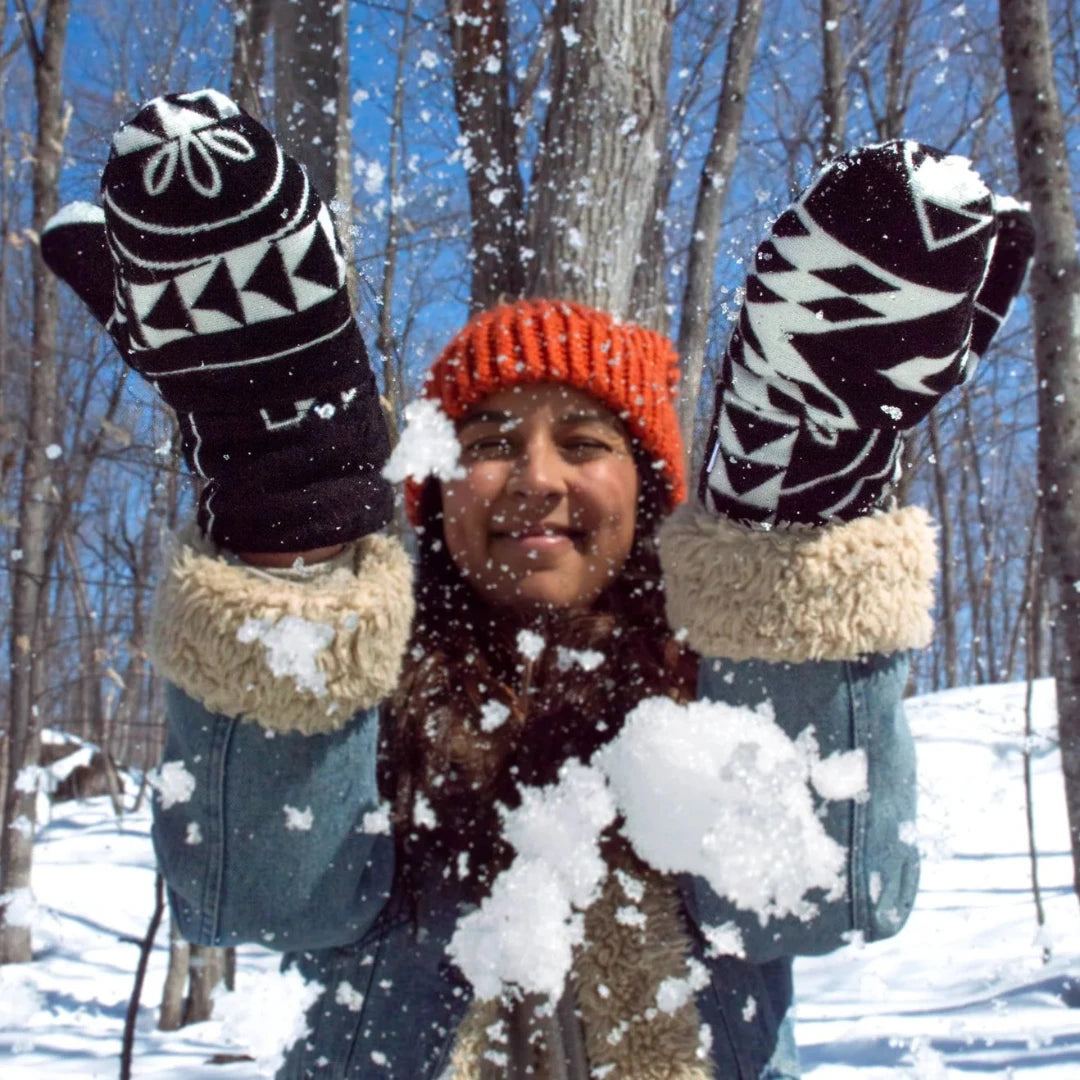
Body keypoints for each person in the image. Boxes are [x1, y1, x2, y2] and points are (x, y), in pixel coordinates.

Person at [43, 91, 1032, 1079]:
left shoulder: (726, 678)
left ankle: (791, 486)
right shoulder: (364, 689)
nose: (537, 478)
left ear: (648, 494)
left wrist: (793, 553)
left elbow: (821, 894)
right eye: (488, 442)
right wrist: (287, 513)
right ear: (435, 490)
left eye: (587, 441)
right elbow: (271, 893)